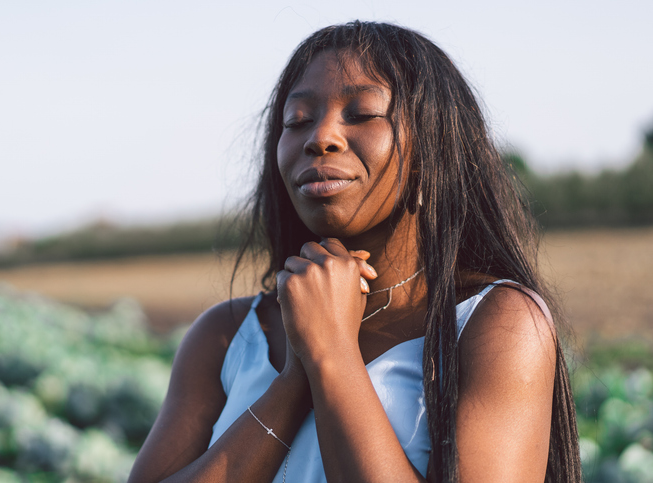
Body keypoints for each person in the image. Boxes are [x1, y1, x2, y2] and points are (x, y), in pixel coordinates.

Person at [128, 21, 581, 483]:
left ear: (433, 148)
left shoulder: (499, 324)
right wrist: (293, 380)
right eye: (297, 120)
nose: (319, 137)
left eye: (362, 113)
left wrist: (332, 352)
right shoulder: (225, 336)